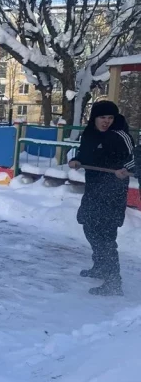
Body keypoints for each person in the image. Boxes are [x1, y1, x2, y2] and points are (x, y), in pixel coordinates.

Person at [69, 100, 135, 296]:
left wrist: (128, 169)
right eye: (102, 117)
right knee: (90, 227)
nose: (106, 121)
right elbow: (83, 153)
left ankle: (114, 282)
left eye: (110, 118)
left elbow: (134, 157)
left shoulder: (120, 135)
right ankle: (99, 266)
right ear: (94, 118)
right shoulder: (89, 133)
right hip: (94, 188)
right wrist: (76, 160)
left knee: (105, 235)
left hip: (112, 190)